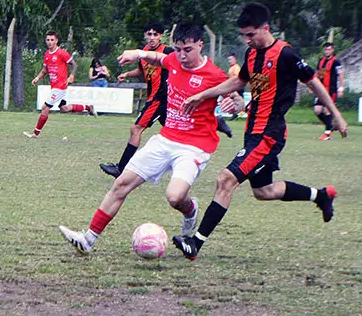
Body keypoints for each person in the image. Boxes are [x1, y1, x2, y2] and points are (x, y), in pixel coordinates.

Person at [171, 3, 347, 261]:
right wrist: (204, 95)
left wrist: (337, 115)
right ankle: (320, 196)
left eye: (251, 34)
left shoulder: (286, 54)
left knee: (226, 180)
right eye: (244, 35)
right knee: (264, 191)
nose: (247, 39)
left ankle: (195, 243)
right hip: (252, 131)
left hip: (269, 135)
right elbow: (238, 81)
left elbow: (314, 82)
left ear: (266, 28)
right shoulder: (252, 54)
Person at [59, 23, 239, 254]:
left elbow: (237, 100)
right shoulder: (174, 60)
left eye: (188, 50)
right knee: (121, 183)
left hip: (194, 146)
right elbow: (158, 58)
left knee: (175, 197)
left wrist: (234, 105)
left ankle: (190, 209)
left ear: (200, 45)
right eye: (178, 49)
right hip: (165, 139)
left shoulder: (215, 75)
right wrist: (138, 53)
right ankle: (88, 240)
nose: (182, 56)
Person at [99, 23, 175, 178]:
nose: (152, 37)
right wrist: (127, 74)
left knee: (136, 129)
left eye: (155, 34)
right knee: (175, 131)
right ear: (145, 35)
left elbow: (179, 66)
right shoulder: (144, 52)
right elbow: (141, 70)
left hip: (160, 98)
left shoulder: (167, 51)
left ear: (161, 36)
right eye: (149, 34)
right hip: (156, 98)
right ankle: (216, 123)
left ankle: (121, 168)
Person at [24, 31, 96, 138]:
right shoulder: (47, 54)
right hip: (55, 86)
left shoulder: (62, 53)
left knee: (45, 107)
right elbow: (45, 70)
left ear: (56, 41)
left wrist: (71, 75)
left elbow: (74, 64)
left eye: (52, 40)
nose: (49, 42)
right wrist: (37, 78)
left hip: (60, 86)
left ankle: (35, 133)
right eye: (48, 40)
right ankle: (88, 107)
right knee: (64, 109)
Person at [313, 42, 344, 141]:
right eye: (326, 49)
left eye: (329, 49)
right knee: (317, 110)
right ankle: (331, 125)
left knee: (327, 110)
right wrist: (313, 86)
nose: (327, 51)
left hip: (331, 90)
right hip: (321, 90)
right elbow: (319, 74)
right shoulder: (321, 61)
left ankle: (327, 134)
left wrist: (341, 88)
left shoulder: (336, 61)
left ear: (332, 50)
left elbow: (341, 75)